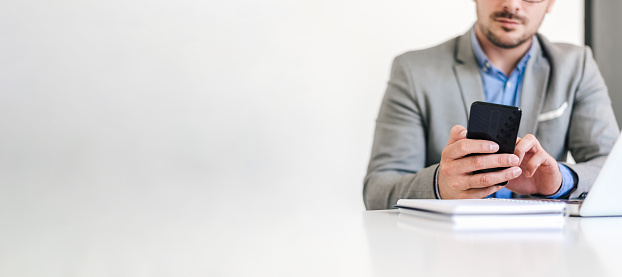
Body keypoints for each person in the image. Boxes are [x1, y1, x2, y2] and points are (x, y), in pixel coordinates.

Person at [364, 0, 620, 210]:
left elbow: (613, 170)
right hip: (446, 253)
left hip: (539, 255)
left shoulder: (577, 66)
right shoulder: (414, 71)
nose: (512, 4)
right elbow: (378, 190)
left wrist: (560, 180)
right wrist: (440, 186)